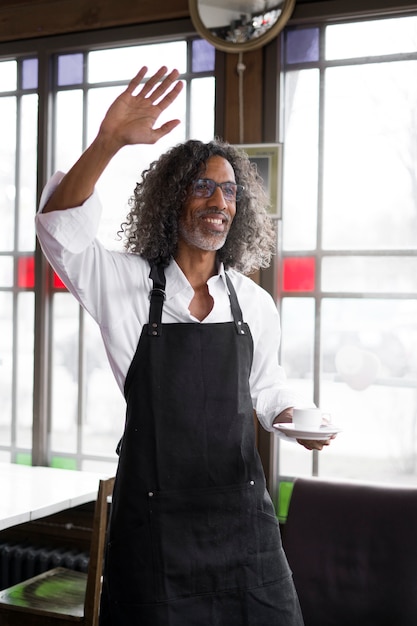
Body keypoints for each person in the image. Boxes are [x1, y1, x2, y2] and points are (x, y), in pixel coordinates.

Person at [35, 66, 332, 625]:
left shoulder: (252, 302)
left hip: (244, 528)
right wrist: (108, 143)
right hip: (156, 534)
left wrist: (293, 415)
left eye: (229, 190)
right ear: (173, 200)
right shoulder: (122, 285)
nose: (219, 200)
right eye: (203, 186)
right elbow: (58, 231)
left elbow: (267, 390)